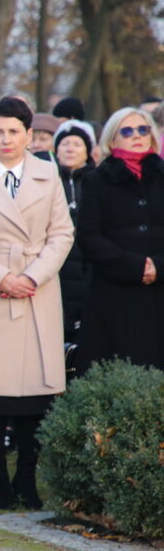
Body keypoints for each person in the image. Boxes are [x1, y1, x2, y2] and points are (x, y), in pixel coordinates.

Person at [0, 97, 74, 510]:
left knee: (33, 396)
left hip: (37, 291)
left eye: (13, 131)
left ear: (29, 134)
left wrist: (31, 277)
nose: (5, 139)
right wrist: (0, 277)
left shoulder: (48, 173)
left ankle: (27, 476)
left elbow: (62, 233)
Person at [75, 107, 164, 374]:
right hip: (112, 295)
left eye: (142, 129)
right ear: (112, 140)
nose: (136, 135)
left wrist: (158, 266)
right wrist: (136, 267)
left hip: (160, 290)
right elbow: (89, 237)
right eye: (127, 131)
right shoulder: (96, 181)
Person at [53, 119, 97, 343]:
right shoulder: (49, 181)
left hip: (88, 263)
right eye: (65, 144)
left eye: (77, 144)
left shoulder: (97, 181)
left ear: (88, 151)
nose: (70, 148)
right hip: (57, 266)